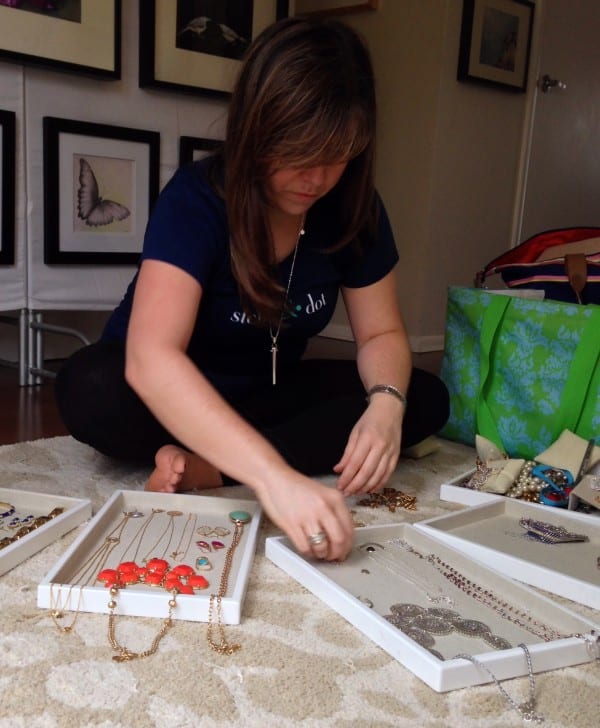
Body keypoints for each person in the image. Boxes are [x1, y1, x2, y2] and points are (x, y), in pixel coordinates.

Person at [55, 16, 449, 563]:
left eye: (338, 154)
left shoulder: (353, 207)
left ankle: (211, 467)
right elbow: (150, 360)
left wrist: (385, 407)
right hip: (168, 394)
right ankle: (243, 454)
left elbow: (381, 331)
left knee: (422, 398)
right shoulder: (197, 198)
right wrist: (273, 478)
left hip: (267, 393)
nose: (317, 177)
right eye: (299, 153)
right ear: (257, 129)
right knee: (88, 386)